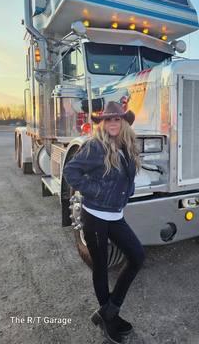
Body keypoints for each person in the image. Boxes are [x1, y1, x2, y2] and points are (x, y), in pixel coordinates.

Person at [63, 101, 145, 344]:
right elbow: (71, 172)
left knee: (137, 256)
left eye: (116, 119)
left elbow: (128, 178)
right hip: (95, 216)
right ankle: (109, 320)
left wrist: (127, 192)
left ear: (123, 122)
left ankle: (110, 310)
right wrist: (96, 191)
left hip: (115, 216)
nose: (112, 123)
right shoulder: (94, 147)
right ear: (102, 123)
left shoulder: (127, 146)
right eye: (108, 119)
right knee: (101, 267)